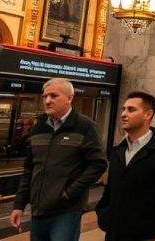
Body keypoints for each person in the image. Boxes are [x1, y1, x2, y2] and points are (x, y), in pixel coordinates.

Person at [10, 78, 108, 240]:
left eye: (53, 96)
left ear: (69, 98)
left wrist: (69, 193)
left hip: (66, 210)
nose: (47, 101)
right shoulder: (39, 128)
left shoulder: (85, 126)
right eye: (44, 96)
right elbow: (30, 168)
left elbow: (98, 164)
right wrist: (19, 205)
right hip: (39, 209)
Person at [96, 92, 155, 241]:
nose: (123, 114)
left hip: (146, 235)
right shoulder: (117, 151)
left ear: (147, 115)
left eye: (131, 110)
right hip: (114, 235)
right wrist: (104, 216)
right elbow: (110, 191)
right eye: (123, 109)